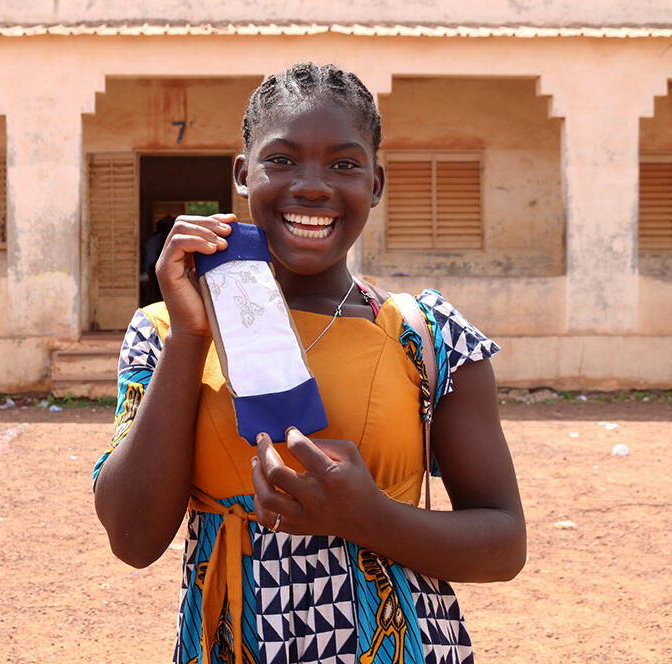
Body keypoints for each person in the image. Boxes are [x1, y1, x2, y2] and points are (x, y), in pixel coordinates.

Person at [93, 63, 526, 664]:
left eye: (344, 165)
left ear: (375, 183)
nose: (313, 186)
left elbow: (504, 544)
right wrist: (194, 333)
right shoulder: (166, 330)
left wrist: (367, 516)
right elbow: (133, 539)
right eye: (284, 160)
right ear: (244, 175)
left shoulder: (426, 334)